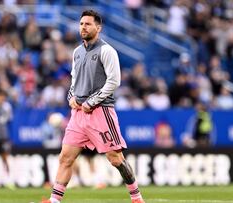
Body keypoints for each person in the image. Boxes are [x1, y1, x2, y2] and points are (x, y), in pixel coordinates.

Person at [42, 10, 145, 203]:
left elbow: (114, 81)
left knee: (115, 159)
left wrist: (92, 101)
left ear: (98, 28)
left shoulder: (107, 51)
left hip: (101, 112)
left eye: (88, 24)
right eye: (81, 24)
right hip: (78, 114)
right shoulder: (77, 52)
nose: (83, 27)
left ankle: (136, 197)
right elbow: (74, 80)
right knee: (65, 157)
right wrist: (71, 96)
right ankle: (54, 200)